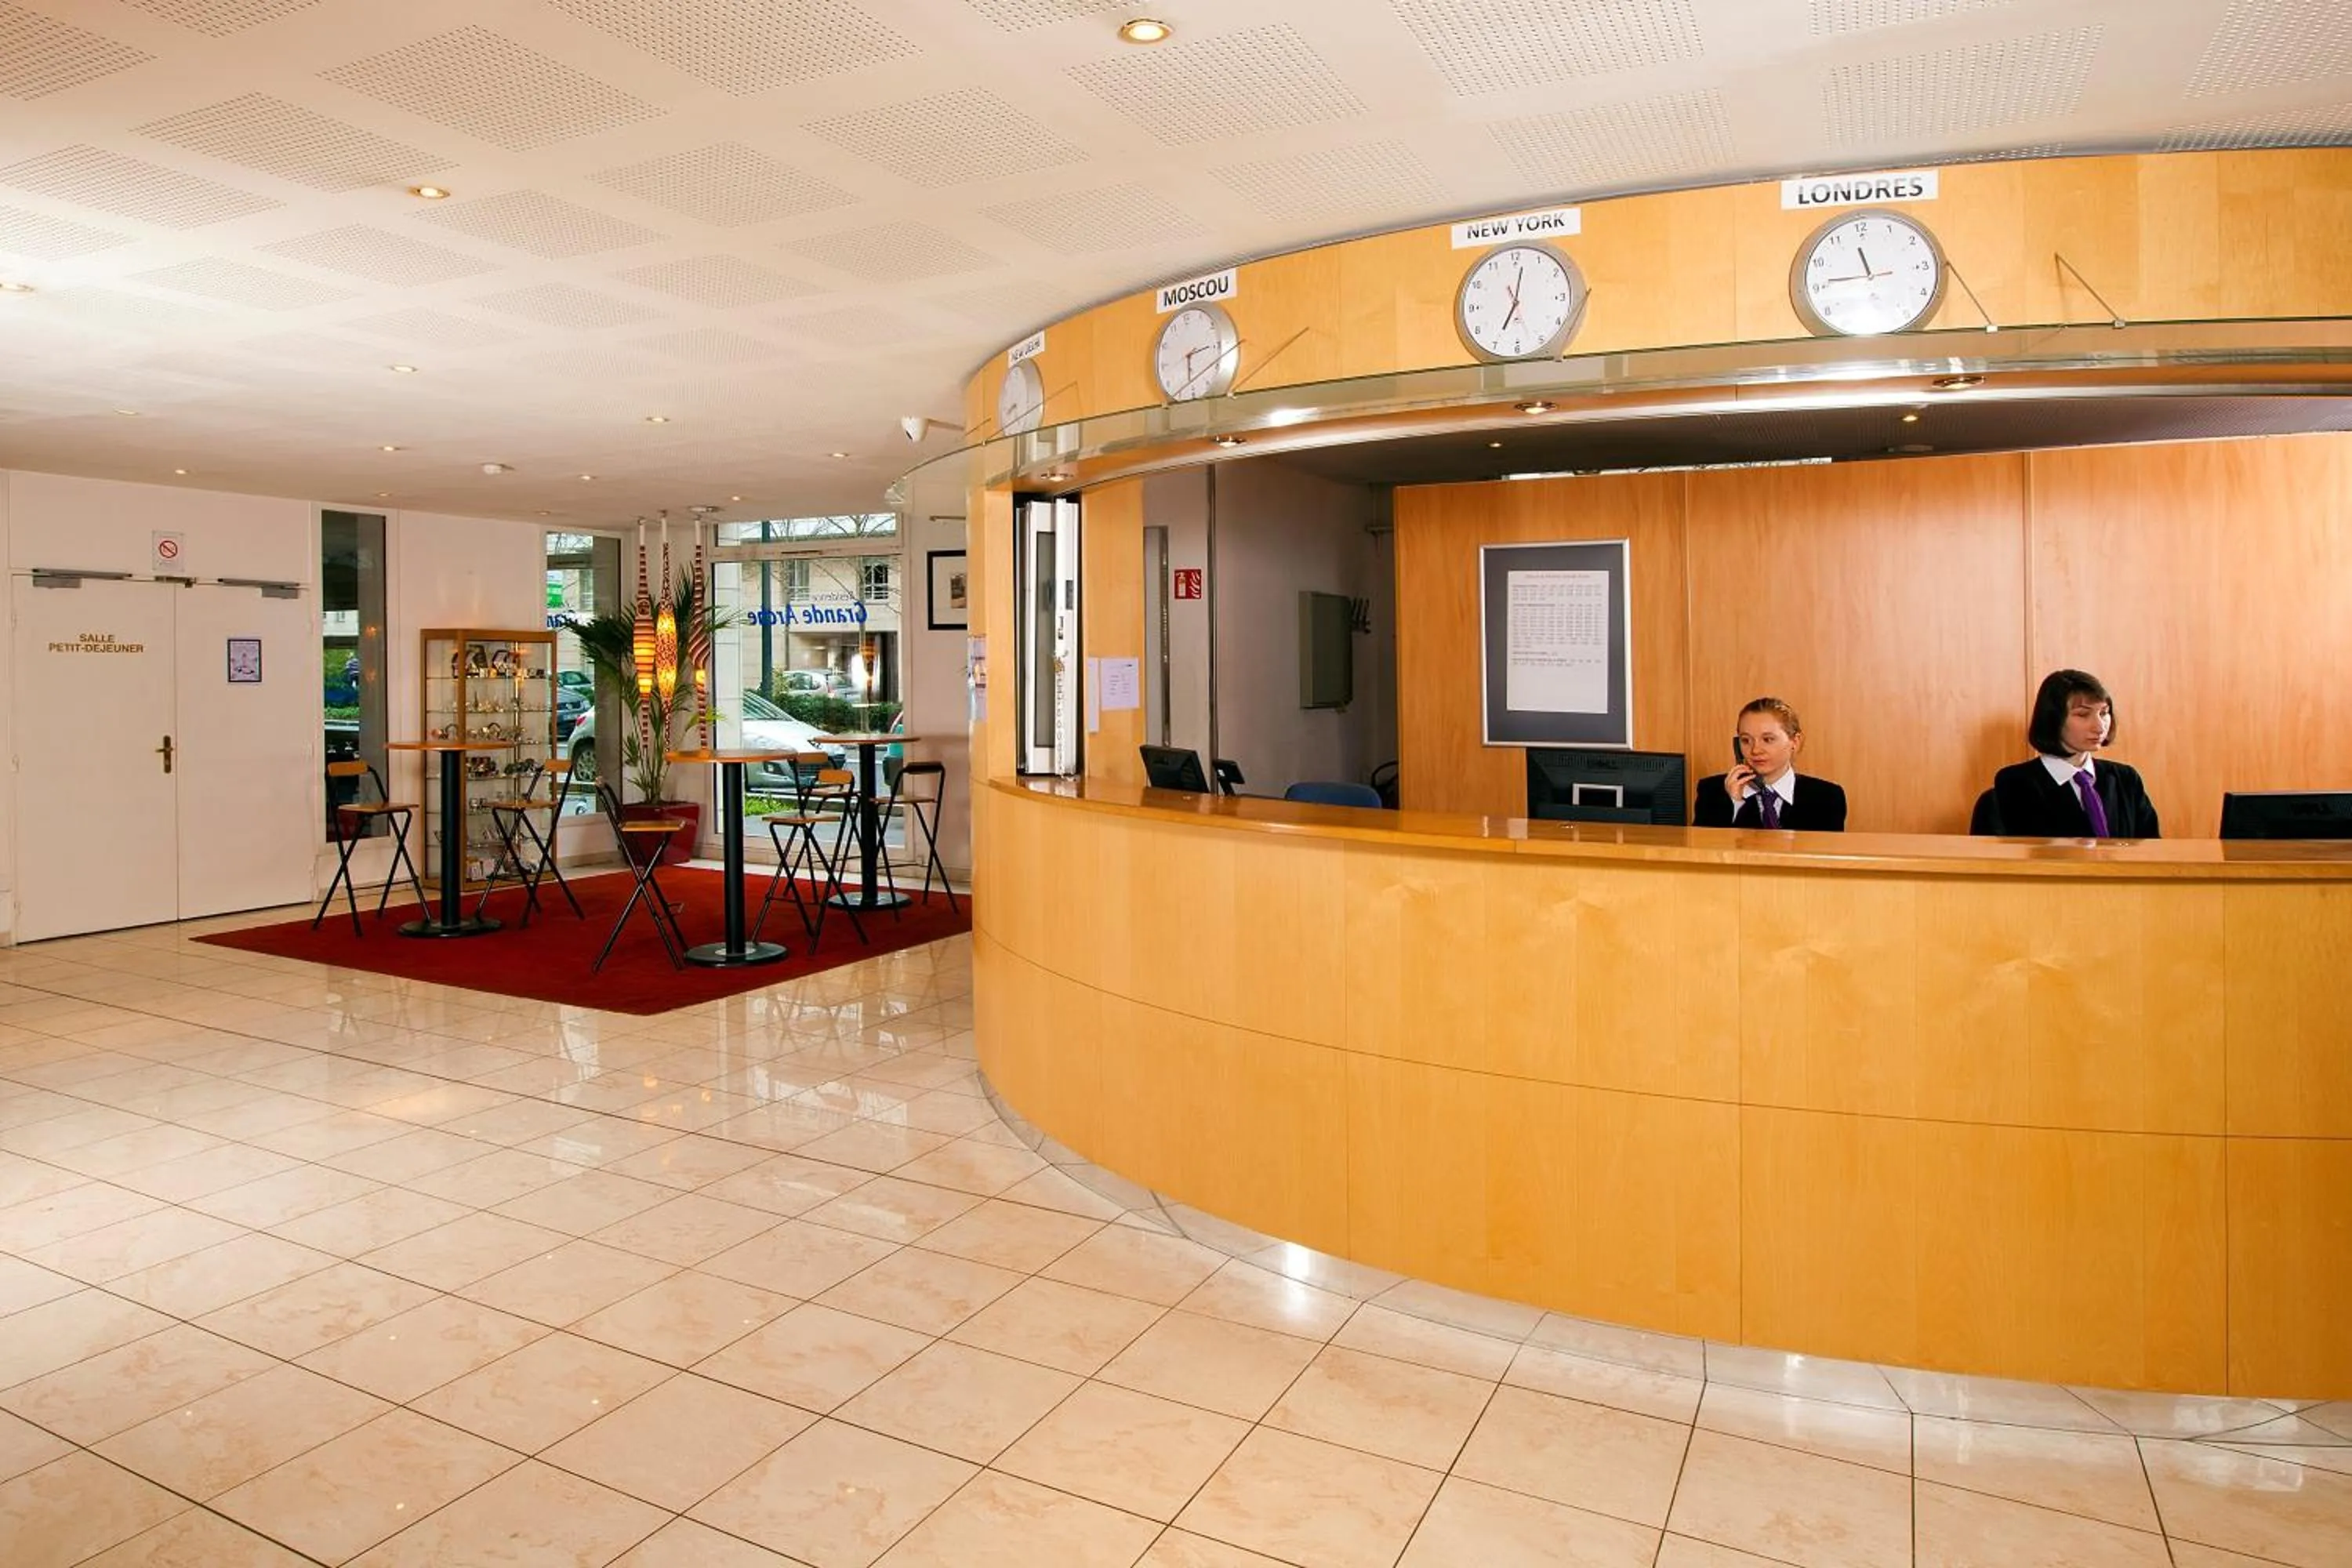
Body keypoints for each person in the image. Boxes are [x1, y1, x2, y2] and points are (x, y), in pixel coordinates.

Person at [1989, 669, 2160, 838]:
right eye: (2083, 715)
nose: (2100, 727)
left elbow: (2151, 849)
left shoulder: (2126, 779)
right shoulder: (2014, 784)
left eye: (2104, 713)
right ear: (2053, 719)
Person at [1694, 697, 1847, 830]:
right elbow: (1704, 856)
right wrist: (1735, 804)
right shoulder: (1712, 792)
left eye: (1768, 739)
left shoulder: (1827, 797)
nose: (1755, 750)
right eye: (1746, 740)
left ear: (1795, 741)